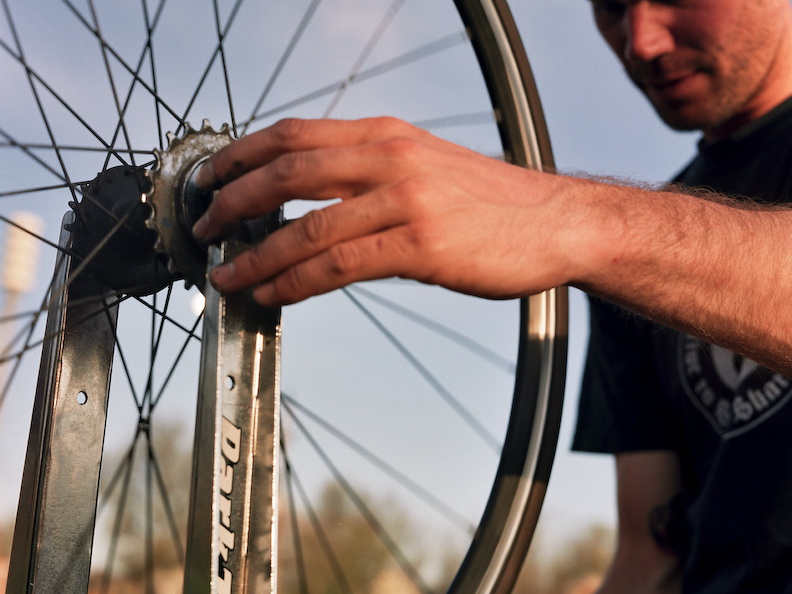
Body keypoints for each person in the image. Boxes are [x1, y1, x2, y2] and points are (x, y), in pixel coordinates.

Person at [190, 0, 792, 590]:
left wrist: (573, 221)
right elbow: (647, 556)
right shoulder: (627, 259)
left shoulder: (611, 241)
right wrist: (593, 237)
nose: (641, 41)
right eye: (609, 7)